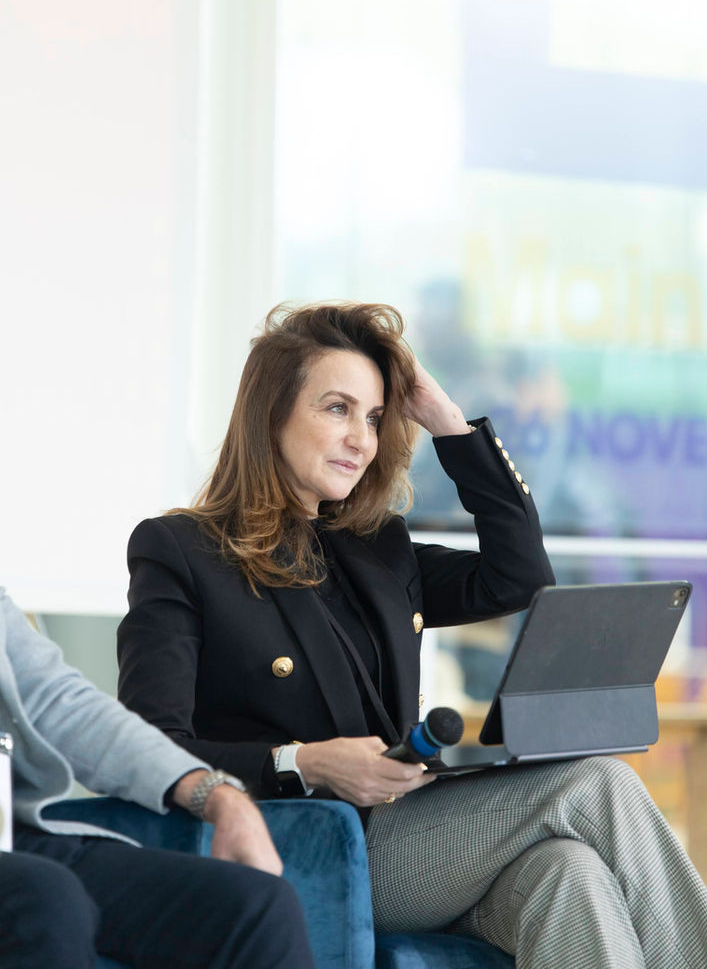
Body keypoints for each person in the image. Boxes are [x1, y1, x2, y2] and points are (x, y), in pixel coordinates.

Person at [117, 301, 707, 969]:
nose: (361, 439)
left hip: (419, 837)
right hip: (312, 841)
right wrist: (302, 762)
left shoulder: (376, 546)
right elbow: (149, 744)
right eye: (337, 409)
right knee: (599, 783)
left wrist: (450, 423)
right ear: (271, 413)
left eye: (373, 418)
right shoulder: (182, 549)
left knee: (571, 873)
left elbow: (517, 578)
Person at [0, 585, 314, 969]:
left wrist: (218, 795)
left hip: (13, 839)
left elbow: (60, 704)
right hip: (29, 877)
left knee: (258, 904)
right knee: (45, 896)